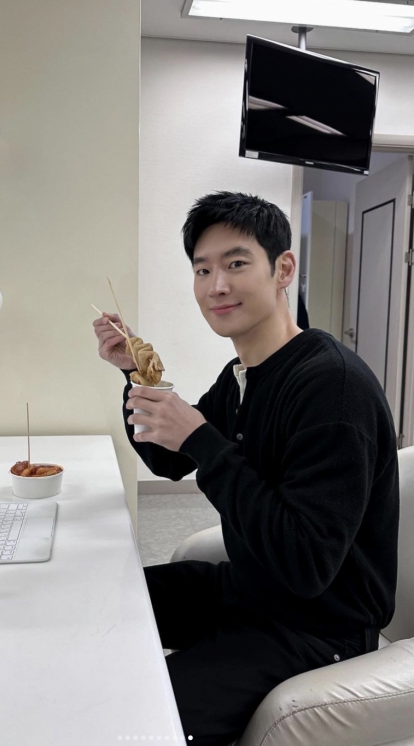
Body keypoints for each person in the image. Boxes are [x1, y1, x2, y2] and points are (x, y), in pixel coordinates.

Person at [92, 191, 399, 746]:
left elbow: (307, 565)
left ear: (283, 269)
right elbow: (167, 459)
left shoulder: (333, 388)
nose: (217, 286)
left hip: (318, 626)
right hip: (250, 589)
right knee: (100, 605)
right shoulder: (243, 373)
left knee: (139, 717)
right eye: (202, 269)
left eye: (236, 264)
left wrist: (203, 440)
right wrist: (133, 374)